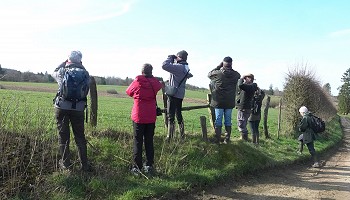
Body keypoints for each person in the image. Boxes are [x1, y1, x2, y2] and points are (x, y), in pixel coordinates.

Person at [52, 50, 92, 172]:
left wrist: (63, 63)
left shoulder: (62, 71)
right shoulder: (85, 73)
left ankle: (66, 165)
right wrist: (81, 66)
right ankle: (84, 165)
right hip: (78, 109)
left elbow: (53, 72)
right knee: (80, 137)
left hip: (62, 107)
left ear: (68, 60)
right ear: (80, 61)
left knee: (63, 136)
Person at [126, 63, 162, 175]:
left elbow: (129, 92)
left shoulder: (137, 82)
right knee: (149, 141)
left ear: (142, 71)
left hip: (139, 115)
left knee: (138, 141)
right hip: (151, 116)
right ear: (151, 72)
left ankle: (137, 167)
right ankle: (149, 165)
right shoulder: (155, 83)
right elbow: (159, 86)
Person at [208, 56, 241, 144]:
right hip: (229, 102)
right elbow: (239, 75)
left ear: (223, 63)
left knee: (218, 120)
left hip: (219, 101)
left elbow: (209, 74)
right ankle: (227, 139)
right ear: (231, 64)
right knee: (228, 120)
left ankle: (218, 139)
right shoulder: (235, 75)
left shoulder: (218, 73)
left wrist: (218, 66)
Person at [162, 50, 193, 142]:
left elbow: (164, 65)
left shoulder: (179, 67)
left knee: (170, 116)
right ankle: (182, 135)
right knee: (178, 114)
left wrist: (170, 58)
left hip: (173, 93)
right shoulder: (185, 67)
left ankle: (170, 136)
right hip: (180, 94)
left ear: (179, 57)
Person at [236, 73, 258, 141]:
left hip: (244, 108)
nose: (245, 80)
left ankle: (244, 138)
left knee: (241, 123)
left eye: (246, 78)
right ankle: (244, 137)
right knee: (243, 122)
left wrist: (241, 78)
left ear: (250, 79)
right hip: (245, 108)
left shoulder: (251, 86)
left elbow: (240, 85)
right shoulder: (250, 86)